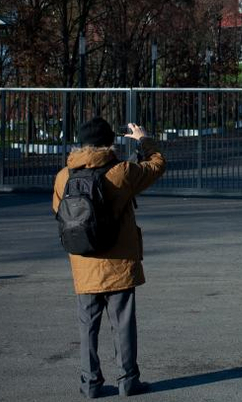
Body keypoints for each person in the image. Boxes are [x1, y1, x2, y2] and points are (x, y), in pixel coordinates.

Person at [52, 118, 166, 398]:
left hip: (84, 262)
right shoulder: (121, 171)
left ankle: (90, 383)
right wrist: (143, 139)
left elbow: (59, 210)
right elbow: (157, 165)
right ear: (109, 142)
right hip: (118, 262)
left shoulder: (64, 176)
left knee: (87, 326)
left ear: (81, 142)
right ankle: (128, 380)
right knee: (123, 324)